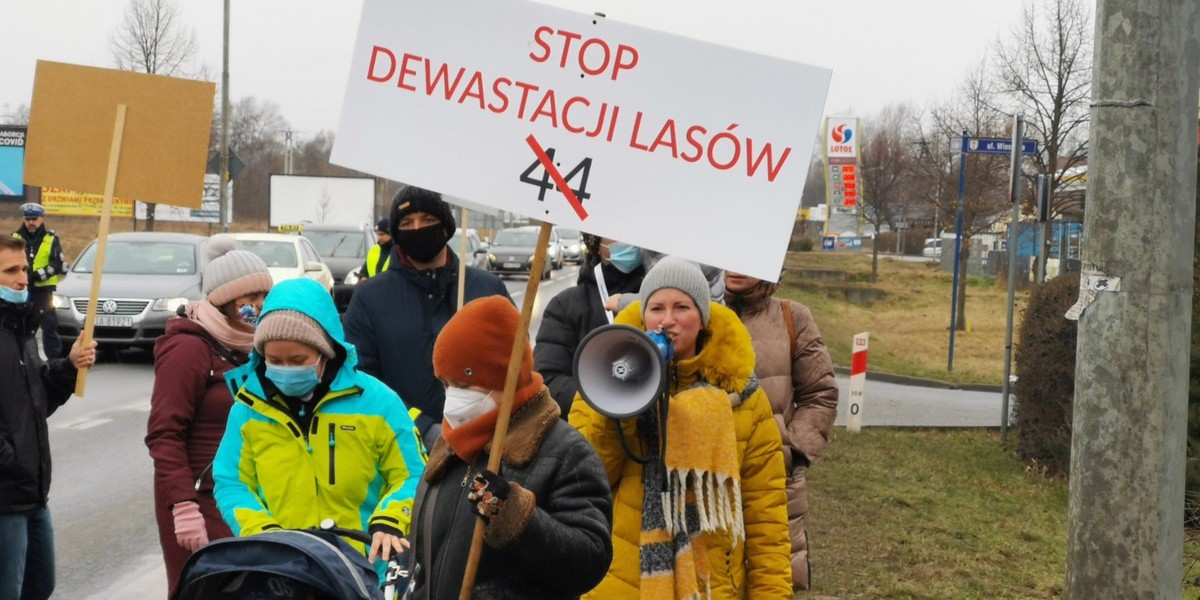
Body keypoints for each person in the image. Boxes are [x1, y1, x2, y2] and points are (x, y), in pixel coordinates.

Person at [569, 256, 791, 598]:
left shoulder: (744, 399)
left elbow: (766, 515)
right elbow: (588, 481)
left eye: (682, 307)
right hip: (621, 584)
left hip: (711, 585)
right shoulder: (602, 385)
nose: (667, 321)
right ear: (643, 315)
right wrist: (621, 406)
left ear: (702, 318)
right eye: (656, 308)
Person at [213, 277, 426, 580]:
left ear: (326, 350)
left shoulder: (380, 403)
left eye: (298, 359)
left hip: (365, 570)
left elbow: (412, 474)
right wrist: (262, 532)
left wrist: (390, 519)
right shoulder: (247, 409)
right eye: (274, 360)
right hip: (282, 569)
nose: (285, 369)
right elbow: (231, 482)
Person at [407, 295, 613, 599]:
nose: (452, 397)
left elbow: (589, 560)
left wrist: (519, 520)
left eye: (463, 386)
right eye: (445, 384)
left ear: (504, 377)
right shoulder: (451, 447)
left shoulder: (565, 451)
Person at [144, 236, 274, 598]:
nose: (259, 306)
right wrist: (183, 506)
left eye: (265, 296)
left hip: (244, 497)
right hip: (199, 500)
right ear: (222, 299)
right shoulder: (188, 348)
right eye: (249, 298)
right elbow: (164, 434)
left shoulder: (255, 347)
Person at [343, 186, 509, 448]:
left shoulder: (487, 289)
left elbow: (515, 367)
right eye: (408, 223)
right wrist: (421, 427)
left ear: (445, 227)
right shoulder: (370, 297)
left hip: (487, 444)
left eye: (428, 220)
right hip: (403, 446)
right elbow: (358, 376)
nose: (418, 228)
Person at [724, 270, 838, 591]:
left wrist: (789, 451)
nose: (736, 268)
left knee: (773, 581)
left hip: (777, 485)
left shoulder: (793, 317)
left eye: (747, 259)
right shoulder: (697, 313)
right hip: (709, 481)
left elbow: (821, 394)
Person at [0, 235, 96, 600]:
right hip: (6, 495)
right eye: (11, 271)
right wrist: (14, 465)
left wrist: (68, 367)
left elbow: (38, 400)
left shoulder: (20, 329)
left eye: (24, 268)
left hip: (33, 494)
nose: (23, 278)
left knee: (40, 585)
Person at [534, 234, 646, 416]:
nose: (627, 239)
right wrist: (607, 402)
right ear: (595, 243)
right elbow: (548, 381)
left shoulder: (667, 302)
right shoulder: (566, 305)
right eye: (616, 232)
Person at [11, 202, 65, 359]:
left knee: (49, 328)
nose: (31, 223)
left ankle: (54, 363)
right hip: (21, 290)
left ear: (42, 218)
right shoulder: (15, 238)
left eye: (34, 218)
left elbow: (57, 264)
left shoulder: (51, 239)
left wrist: (37, 275)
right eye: (28, 219)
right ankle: (22, 360)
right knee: (20, 326)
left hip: (43, 292)